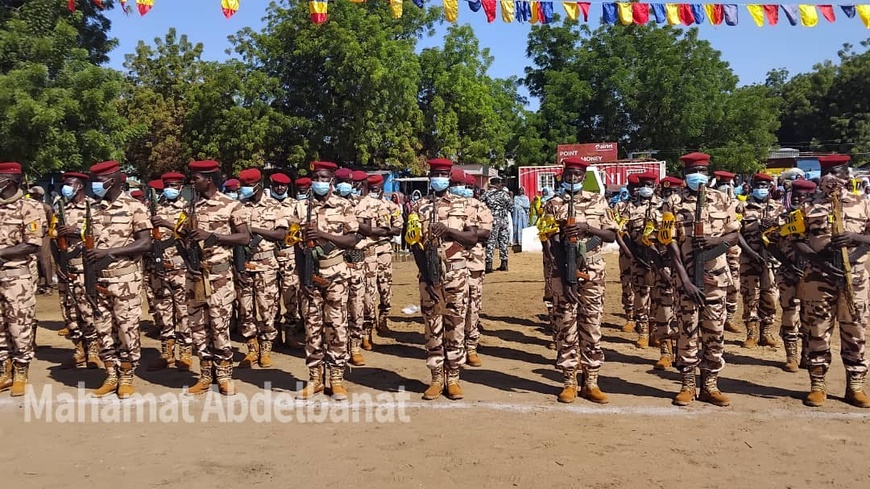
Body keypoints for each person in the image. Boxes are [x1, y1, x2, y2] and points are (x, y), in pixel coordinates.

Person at [794, 154, 870, 408]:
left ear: (847, 175)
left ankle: (855, 386)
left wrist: (855, 242)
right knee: (816, 330)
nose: (833, 177)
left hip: (854, 277)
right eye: (827, 171)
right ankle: (818, 385)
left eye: (838, 171)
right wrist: (820, 260)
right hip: (818, 277)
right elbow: (796, 241)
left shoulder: (862, 203)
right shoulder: (807, 205)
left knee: (855, 329)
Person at [665, 153, 739, 407]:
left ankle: (710, 385)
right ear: (685, 173)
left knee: (715, 332)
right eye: (693, 170)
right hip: (686, 279)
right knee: (687, 331)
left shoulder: (722, 200)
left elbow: (734, 236)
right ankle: (687, 385)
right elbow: (669, 242)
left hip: (716, 280)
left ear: (709, 171)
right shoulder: (673, 202)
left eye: (702, 169)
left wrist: (715, 242)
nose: (698, 174)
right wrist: (683, 278)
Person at [542, 157, 616, 404]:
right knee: (565, 327)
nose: (572, 179)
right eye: (569, 174)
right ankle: (569, 381)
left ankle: (591, 381)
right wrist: (564, 278)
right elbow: (548, 243)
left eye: (577, 175)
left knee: (592, 327)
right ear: (563, 176)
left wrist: (588, 229)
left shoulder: (598, 201)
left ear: (584, 177)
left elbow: (611, 234)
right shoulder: (553, 204)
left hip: (593, 275)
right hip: (562, 275)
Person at [78, 160, 152, 398]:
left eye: (100, 180)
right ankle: (111, 374)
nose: (96, 185)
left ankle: (127, 376)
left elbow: (145, 242)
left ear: (113, 179)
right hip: (99, 280)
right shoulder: (94, 209)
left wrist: (110, 253)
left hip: (125, 280)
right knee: (102, 328)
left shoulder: (134, 207)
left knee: (127, 329)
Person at [180, 160, 250, 396]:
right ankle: (205, 374)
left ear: (209, 179)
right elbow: (180, 234)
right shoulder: (190, 206)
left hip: (218, 275)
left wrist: (213, 237)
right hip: (194, 274)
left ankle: (224, 375)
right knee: (198, 327)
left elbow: (243, 238)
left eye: (196, 177)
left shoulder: (231, 205)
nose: (193, 181)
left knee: (220, 327)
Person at [294, 161, 361, 401]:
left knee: (336, 326)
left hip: (336, 274)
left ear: (331, 180)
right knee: (312, 327)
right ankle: (314, 379)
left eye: (324, 177)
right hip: (310, 274)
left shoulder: (344, 206)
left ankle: (336, 379)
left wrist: (322, 235)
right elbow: (294, 244)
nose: (319, 182)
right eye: (316, 177)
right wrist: (303, 278)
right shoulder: (301, 208)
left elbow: (353, 240)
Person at [414, 158, 478, 400]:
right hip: (429, 274)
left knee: (455, 325)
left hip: (456, 273)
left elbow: (472, 239)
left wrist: (449, 231)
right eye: (434, 173)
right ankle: (436, 377)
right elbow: (413, 244)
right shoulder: (419, 206)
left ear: (449, 176)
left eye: (442, 173)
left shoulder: (464, 205)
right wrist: (427, 275)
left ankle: (453, 378)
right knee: (432, 325)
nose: (438, 177)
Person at [236, 168, 287, 370]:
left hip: (266, 264)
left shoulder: (275, 207)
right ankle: (251, 349)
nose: (245, 189)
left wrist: (254, 229)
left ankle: (266, 348)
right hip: (244, 264)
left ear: (258, 185)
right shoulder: (238, 208)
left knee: (267, 309)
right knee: (245, 309)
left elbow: (281, 234)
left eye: (248, 186)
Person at [0, 162, 44, 397]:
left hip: (17, 276)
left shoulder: (29, 207)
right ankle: (3, 370)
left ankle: (20, 370)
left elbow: (32, 243)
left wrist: (2, 254)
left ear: (9, 181)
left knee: (19, 323)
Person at [52, 172, 101, 369]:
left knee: (87, 310)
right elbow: (53, 239)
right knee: (69, 311)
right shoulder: (60, 209)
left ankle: (94, 350)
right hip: (66, 267)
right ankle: (79, 348)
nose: (66, 188)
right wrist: (57, 264)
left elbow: (99, 235)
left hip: (84, 267)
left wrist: (76, 232)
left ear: (79, 186)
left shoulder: (93, 208)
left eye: (69, 184)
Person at [145, 172, 193, 372]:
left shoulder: (188, 208)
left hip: (180, 266)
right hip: (159, 267)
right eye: (167, 185)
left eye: (174, 185)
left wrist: (166, 224)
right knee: (163, 311)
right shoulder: (151, 208)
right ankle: (166, 353)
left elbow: (190, 232)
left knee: (183, 311)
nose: (170, 188)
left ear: (181, 186)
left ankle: (186, 353)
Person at [769, 179, 816, 372]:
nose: (798, 199)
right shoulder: (783, 218)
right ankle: (791, 356)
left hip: (812, 276)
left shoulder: (817, 219)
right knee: (789, 314)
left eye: (802, 196)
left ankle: (807, 354)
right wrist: (787, 263)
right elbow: (770, 243)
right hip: (788, 273)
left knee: (809, 315)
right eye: (795, 195)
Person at [736, 173, 784, 348]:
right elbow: (736, 234)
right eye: (759, 185)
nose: (761, 189)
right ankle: (752, 333)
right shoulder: (742, 207)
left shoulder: (778, 208)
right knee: (750, 295)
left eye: (765, 185)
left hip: (771, 260)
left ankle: (766, 332)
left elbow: (784, 234)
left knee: (770, 295)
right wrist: (750, 253)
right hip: (749, 258)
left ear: (770, 187)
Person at [357, 173, 402, 351]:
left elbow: (398, 229)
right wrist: (383, 230)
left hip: (385, 251)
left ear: (382, 188)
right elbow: (361, 229)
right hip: (367, 251)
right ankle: (366, 331)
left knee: (385, 288)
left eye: (376, 189)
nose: (374, 191)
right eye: (371, 189)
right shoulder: (361, 205)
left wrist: (377, 231)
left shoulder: (391, 206)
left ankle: (383, 319)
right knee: (368, 291)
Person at [463, 172, 492, 366]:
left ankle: (471, 345)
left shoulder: (480, 206)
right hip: (449, 263)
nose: (461, 189)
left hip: (473, 263)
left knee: (473, 305)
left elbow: (486, 232)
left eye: (465, 186)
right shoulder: (444, 207)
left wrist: (461, 234)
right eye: (457, 184)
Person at [269, 172, 301, 347]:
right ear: (271, 185)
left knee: (290, 295)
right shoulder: (265, 205)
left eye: (283, 185)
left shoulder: (295, 205)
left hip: (289, 254)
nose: (280, 188)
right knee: (270, 297)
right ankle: (273, 335)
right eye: (277, 185)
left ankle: (290, 333)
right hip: (269, 255)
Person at [713, 170, 742, 334]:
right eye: (722, 184)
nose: (725, 188)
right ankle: (717, 316)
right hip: (715, 252)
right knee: (716, 286)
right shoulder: (712, 203)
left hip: (733, 253)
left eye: (728, 184)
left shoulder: (739, 205)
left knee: (734, 286)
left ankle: (729, 318)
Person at [613, 174, 638, 333]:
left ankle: (646, 320)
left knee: (648, 286)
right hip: (626, 253)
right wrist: (628, 251)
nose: (636, 191)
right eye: (633, 188)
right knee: (627, 283)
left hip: (648, 253)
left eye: (638, 187)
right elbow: (616, 231)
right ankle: (630, 316)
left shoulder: (654, 205)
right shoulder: (620, 207)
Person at [481, 177, 511, 272]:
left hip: (492, 220)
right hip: (503, 220)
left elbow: (481, 207)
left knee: (491, 242)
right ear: (498, 184)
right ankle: (504, 263)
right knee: (503, 241)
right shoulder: (503, 194)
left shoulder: (486, 194)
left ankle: (489, 265)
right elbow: (511, 206)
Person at [28, 186, 54, 295]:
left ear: (39, 195)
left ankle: (49, 285)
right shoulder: (28, 207)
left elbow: (51, 222)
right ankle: (38, 284)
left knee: (45, 261)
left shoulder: (46, 207)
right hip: (31, 237)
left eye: (33, 194)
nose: (30, 196)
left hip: (44, 237)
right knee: (34, 260)